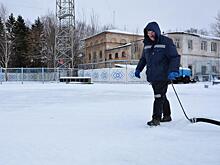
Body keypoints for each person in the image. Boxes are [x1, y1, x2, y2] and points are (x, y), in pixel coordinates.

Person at [135, 21, 180, 126]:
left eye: (152, 32)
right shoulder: (146, 45)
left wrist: (173, 70)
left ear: (157, 31)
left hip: (163, 75)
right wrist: (138, 69)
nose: (150, 34)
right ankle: (167, 116)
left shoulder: (166, 42)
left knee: (158, 96)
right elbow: (143, 59)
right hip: (152, 76)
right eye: (148, 32)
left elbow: (174, 57)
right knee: (161, 96)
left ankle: (156, 119)